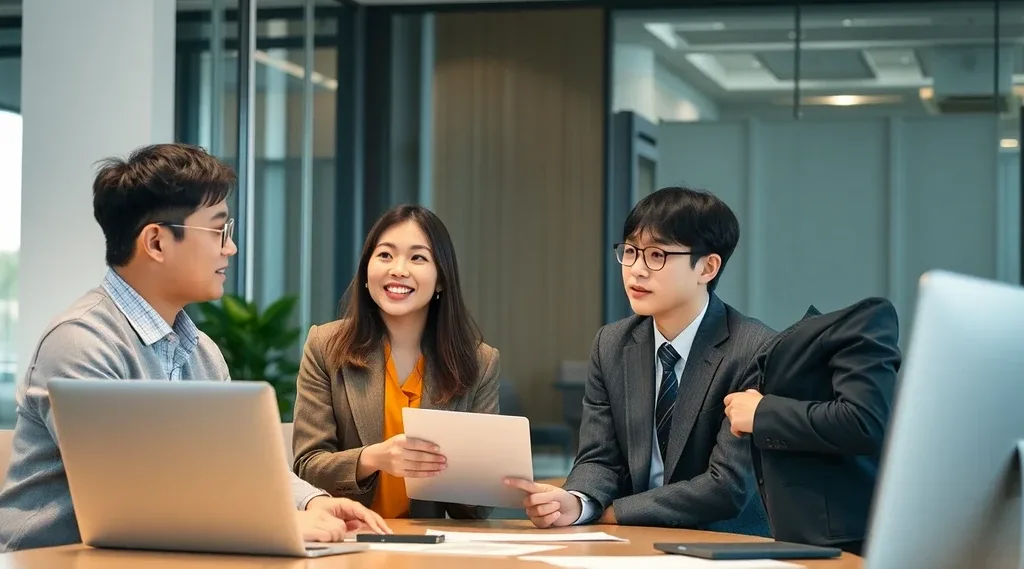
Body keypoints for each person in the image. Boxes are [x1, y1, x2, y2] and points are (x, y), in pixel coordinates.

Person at [0, 144, 390, 552]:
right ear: (156, 243)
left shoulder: (202, 352)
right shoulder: (81, 342)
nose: (230, 248)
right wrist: (280, 522)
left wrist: (313, 502)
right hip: (55, 560)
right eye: (219, 231)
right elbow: (137, 493)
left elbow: (239, 465)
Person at [506, 187, 772, 533]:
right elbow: (598, 458)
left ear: (707, 267)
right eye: (630, 252)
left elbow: (725, 487)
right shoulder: (612, 343)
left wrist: (615, 513)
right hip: (632, 541)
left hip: (724, 545)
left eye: (657, 255)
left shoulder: (754, 348)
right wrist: (576, 501)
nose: (636, 270)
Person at [291, 204, 499, 520]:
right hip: (345, 535)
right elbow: (307, 469)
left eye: (418, 257)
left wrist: (466, 475)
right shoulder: (325, 346)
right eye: (385, 255)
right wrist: (373, 458)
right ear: (365, 272)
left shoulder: (479, 361)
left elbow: (479, 508)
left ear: (441, 279)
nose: (398, 269)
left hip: (429, 544)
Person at [723, 298, 900, 555]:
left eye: (658, 255)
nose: (640, 269)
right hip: (787, 542)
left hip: (845, 544)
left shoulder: (868, 319)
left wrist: (762, 414)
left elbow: (864, 421)